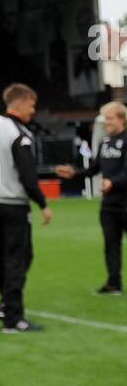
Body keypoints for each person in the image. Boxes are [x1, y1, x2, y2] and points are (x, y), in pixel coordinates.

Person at [0, 83, 52, 333]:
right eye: (32, 105)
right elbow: (27, 176)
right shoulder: (19, 133)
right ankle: (14, 317)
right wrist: (43, 203)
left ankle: (5, 305)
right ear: (20, 101)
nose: (33, 111)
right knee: (19, 258)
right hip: (13, 203)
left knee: (5, 257)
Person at [56, 100, 127, 293]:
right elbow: (94, 169)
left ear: (122, 119)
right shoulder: (105, 142)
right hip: (109, 205)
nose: (106, 123)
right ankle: (114, 283)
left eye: (110, 119)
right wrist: (75, 173)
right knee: (111, 245)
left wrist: (113, 182)